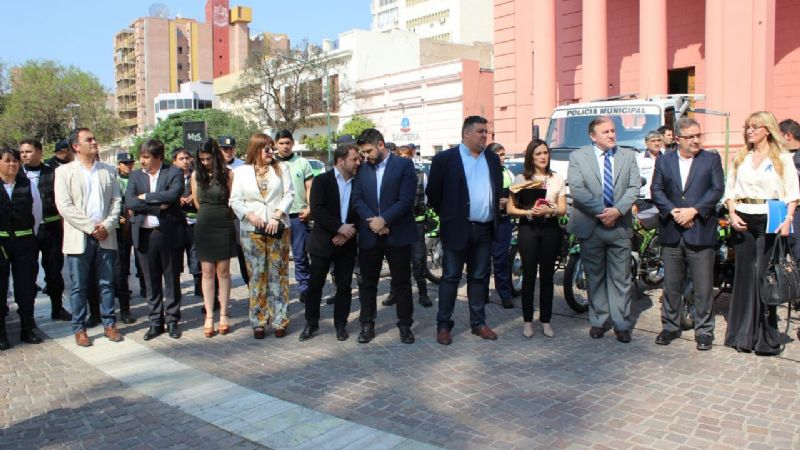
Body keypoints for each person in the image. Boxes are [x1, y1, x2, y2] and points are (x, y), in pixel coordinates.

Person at [723, 111, 799, 355]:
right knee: (744, 275)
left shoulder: (782, 159)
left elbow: (792, 193)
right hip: (743, 217)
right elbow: (730, 189)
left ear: (767, 130)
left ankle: (765, 337)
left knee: (765, 276)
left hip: (771, 218)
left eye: (755, 127)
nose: (750, 131)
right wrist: (732, 214)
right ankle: (742, 335)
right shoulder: (740, 157)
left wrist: (788, 220)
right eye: (747, 127)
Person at [426, 116, 503, 345]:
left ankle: (478, 323)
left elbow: (496, 188)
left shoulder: (491, 158)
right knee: (450, 277)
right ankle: (443, 325)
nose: (484, 136)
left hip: (484, 229)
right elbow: (434, 193)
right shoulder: (445, 159)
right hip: (457, 228)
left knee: (479, 277)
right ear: (466, 133)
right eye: (480, 131)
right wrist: (450, 216)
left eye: (486, 132)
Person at [651, 117, 725, 350]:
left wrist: (693, 211)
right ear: (678, 138)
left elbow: (716, 190)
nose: (695, 140)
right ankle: (670, 326)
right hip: (672, 231)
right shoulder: (665, 161)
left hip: (700, 231)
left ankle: (704, 330)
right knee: (671, 284)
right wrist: (674, 212)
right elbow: (657, 189)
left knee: (703, 286)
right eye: (690, 137)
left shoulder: (710, 159)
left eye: (698, 136)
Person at [567, 116, 640, 343]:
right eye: (605, 132)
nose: (611, 135)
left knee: (621, 278)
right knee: (595, 277)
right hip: (592, 225)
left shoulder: (628, 156)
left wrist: (617, 211)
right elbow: (577, 189)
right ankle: (599, 320)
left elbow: (634, 187)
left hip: (619, 226)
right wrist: (603, 211)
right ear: (593, 136)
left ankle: (621, 323)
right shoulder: (578, 157)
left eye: (612, 131)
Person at [54, 128, 123, 347]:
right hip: (79, 236)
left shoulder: (108, 170)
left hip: (105, 235)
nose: (94, 142)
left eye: (94, 138)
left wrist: (107, 225)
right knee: (79, 286)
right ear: (76, 146)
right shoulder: (64, 172)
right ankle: (80, 328)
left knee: (106, 283)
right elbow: (64, 206)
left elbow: (116, 202)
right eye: (89, 140)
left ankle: (109, 324)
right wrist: (89, 227)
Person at [352, 129, 417, 344]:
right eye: (363, 152)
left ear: (381, 145)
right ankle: (367, 324)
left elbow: (406, 200)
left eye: (368, 150)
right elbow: (357, 199)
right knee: (367, 283)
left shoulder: (404, 165)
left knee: (402, 283)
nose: (365, 155)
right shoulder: (362, 170)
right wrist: (375, 222)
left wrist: (385, 220)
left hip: (397, 233)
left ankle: (405, 325)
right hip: (371, 234)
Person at [229, 133, 293, 339]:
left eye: (272, 148)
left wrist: (277, 216)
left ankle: (280, 319)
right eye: (266, 148)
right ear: (255, 149)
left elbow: (289, 194)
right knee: (257, 274)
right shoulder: (242, 172)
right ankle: (258, 320)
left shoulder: (282, 168)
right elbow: (235, 200)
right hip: (252, 229)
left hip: (277, 227)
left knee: (278, 273)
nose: (271, 152)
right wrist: (249, 215)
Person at [299, 144, 362, 341]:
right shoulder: (322, 180)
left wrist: (347, 232)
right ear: (341, 160)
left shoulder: (359, 182)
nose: (358, 162)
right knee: (315, 285)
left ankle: (340, 324)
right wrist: (339, 228)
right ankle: (311, 322)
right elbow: (317, 211)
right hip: (323, 242)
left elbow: (362, 211)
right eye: (354, 159)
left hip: (347, 242)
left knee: (344, 286)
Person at [126, 139, 186, 340]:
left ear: (158, 157)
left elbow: (172, 195)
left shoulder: (173, 172)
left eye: (146, 157)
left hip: (168, 233)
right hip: (144, 235)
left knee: (171, 279)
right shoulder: (135, 176)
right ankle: (155, 322)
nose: (142, 161)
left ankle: (172, 320)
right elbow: (131, 201)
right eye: (141, 156)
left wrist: (146, 198)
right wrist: (156, 205)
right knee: (151, 281)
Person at [506, 139, 567, 338]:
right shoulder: (520, 178)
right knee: (529, 276)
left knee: (547, 277)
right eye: (538, 153)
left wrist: (550, 209)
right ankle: (527, 321)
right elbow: (510, 209)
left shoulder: (556, 178)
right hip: (528, 229)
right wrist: (528, 212)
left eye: (545, 153)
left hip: (550, 229)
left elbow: (563, 208)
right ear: (531, 156)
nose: (543, 157)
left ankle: (546, 320)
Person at [19, 139, 70, 321]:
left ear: (40, 153)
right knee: (27, 274)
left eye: (29, 151)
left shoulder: (53, 173)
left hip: (51, 230)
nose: (24, 155)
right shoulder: (17, 175)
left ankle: (58, 308)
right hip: (27, 233)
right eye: (22, 152)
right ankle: (28, 315)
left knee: (54, 271)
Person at [0, 147, 45, 349]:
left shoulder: (28, 185)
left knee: (25, 288)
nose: (13, 164)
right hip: (1, 243)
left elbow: (37, 212)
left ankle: (27, 328)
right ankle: (2, 333)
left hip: (25, 242)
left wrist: (28, 236)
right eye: (8, 160)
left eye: (15, 161)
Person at [191, 139, 236, 337]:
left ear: (215, 156)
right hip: (204, 224)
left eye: (208, 158)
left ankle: (224, 314)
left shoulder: (228, 174)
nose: (205, 162)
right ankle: (209, 315)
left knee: (223, 271)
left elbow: (232, 200)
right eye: (201, 159)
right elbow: (197, 202)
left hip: (223, 222)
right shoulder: (195, 175)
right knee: (207, 271)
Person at [274, 130, 314, 304]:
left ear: (292, 143)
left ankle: (305, 288)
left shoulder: (302, 162)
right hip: (278, 217)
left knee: (300, 255)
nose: (285, 146)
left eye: (287, 142)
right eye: (281, 143)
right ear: (276, 144)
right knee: (278, 257)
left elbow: (309, 187)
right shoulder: (271, 164)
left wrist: (310, 207)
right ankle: (279, 290)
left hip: (299, 215)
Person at [391, 145, 432, 308]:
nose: (405, 159)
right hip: (398, 224)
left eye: (407, 156)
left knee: (418, 259)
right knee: (396, 260)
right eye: (401, 156)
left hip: (416, 223)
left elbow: (426, 199)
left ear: (412, 156)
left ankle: (423, 293)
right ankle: (394, 293)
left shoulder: (421, 176)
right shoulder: (393, 176)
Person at [488, 142, 515, 309]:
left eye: (504, 154)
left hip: (504, 221)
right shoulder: (483, 173)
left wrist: (508, 201)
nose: (503, 158)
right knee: (482, 260)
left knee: (501, 259)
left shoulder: (509, 174)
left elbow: (517, 197)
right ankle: (480, 293)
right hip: (486, 221)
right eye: (499, 155)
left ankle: (504, 293)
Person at [172, 148, 203, 298]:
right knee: (176, 257)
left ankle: (199, 286)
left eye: (187, 158)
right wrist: (177, 199)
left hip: (194, 220)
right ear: (174, 161)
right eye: (181, 159)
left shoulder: (197, 175)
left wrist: (194, 196)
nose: (185, 161)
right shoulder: (169, 177)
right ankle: (175, 287)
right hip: (177, 222)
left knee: (195, 255)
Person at [113, 152, 136, 324]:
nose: (128, 166)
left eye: (130, 163)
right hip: (120, 225)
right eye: (125, 163)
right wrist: (123, 220)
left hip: (136, 222)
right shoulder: (115, 179)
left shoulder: (136, 178)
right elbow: (117, 204)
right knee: (120, 269)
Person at [779, 119, 800, 261]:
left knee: (797, 253)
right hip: (778, 210)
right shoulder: (774, 157)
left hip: (797, 213)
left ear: (788, 136)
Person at [636, 130, 664, 208]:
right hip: (644, 201)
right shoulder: (638, 159)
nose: (656, 143)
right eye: (653, 141)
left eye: (658, 140)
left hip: (664, 200)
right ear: (646, 143)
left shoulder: (666, 158)